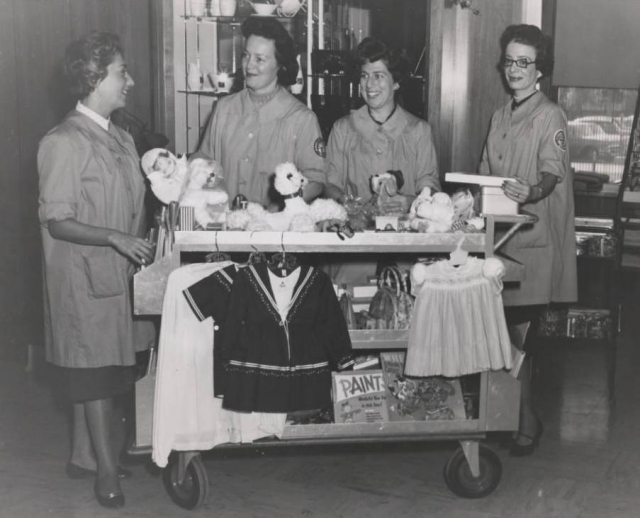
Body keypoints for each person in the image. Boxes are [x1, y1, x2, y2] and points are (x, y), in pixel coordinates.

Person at [37, 31, 155, 508]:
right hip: (83, 277)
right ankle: (105, 472)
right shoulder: (63, 142)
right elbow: (56, 218)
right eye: (121, 72)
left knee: (115, 367)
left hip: (119, 272)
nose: (130, 80)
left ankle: (86, 455)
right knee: (96, 374)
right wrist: (113, 237)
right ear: (93, 79)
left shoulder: (121, 136)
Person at [478, 24, 577, 456]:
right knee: (499, 337)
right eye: (509, 60)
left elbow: (551, 174)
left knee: (518, 339)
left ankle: (525, 418)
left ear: (539, 70)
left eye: (524, 62)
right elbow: (484, 173)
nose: (514, 69)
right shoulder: (500, 115)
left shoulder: (550, 114)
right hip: (499, 242)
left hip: (533, 243)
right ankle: (510, 416)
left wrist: (531, 191)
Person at [323, 37, 441, 284]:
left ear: (396, 81)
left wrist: (407, 201)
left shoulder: (419, 131)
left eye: (379, 76)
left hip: (406, 251)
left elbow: (430, 192)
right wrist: (347, 203)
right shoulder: (343, 129)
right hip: (353, 249)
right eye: (365, 76)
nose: (370, 84)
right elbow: (329, 184)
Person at [195, 17, 325, 208]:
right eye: (246, 55)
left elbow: (316, 181)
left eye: (260, 59)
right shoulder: (224, 109)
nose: (248, 66)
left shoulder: (301, 119)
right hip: (226, 227)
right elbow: (203, 162)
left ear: (279, 64)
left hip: (274, 231)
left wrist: (281, 207)